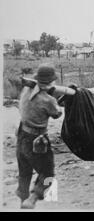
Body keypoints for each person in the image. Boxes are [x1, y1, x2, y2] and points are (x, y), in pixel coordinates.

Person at [16, 64, 63, 209]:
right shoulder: (48, 100)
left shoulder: (26, 89)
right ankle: (33, 198)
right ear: (50, 82)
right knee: (48, 173)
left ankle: (23, 199)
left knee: (24, 171)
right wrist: (56, 97)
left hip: (22, 135)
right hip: (37, 141)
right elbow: (57, 113)